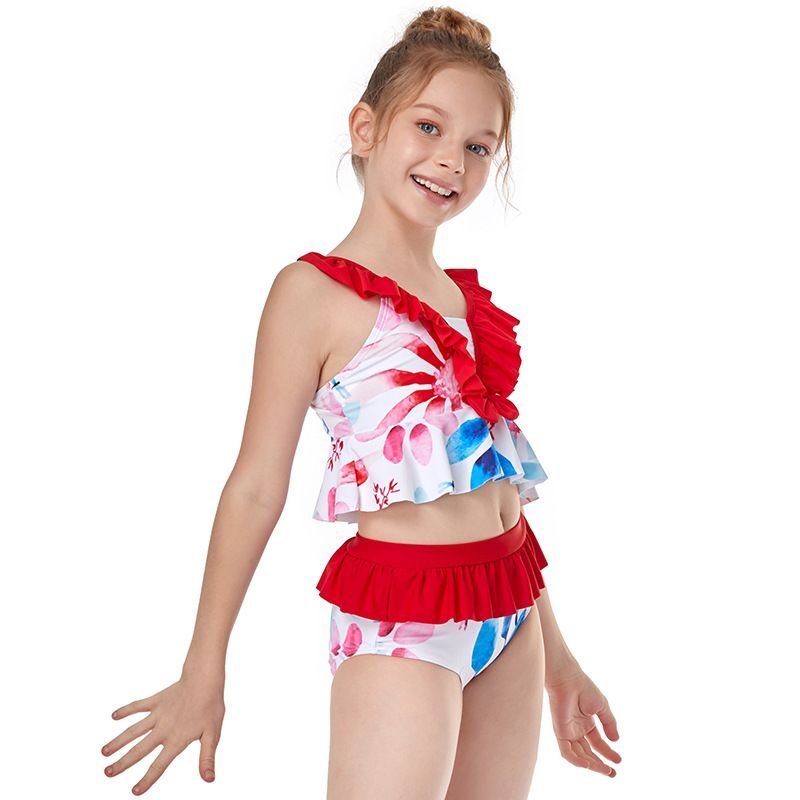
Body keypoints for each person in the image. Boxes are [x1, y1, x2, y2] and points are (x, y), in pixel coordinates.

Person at [100, 6, 622, 798]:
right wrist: (204, 668)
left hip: (511, 614)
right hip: (405, 619)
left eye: (479, 147)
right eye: (429, 127)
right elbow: (255, 486)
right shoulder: (312, 294)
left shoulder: (464, 304)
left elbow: (501, 492)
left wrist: (561, 658)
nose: (451, 159)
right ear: (366, 128)